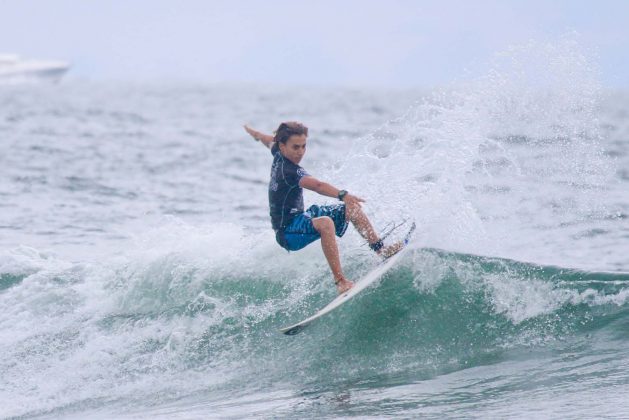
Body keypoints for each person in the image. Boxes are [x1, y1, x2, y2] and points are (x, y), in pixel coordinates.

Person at [244, 121, 402, 294]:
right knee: (325, 223)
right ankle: (340, 281)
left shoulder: (277, 150)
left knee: (352, 209)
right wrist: (343, 195)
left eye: (304, 146)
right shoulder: (289, 171)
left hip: (301, 217)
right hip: (287, 233)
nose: (300, 152)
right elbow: (317, 186)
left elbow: (266, 139)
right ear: (282, 145)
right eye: (295, 147)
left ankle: (381, 249)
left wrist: (254, 133)